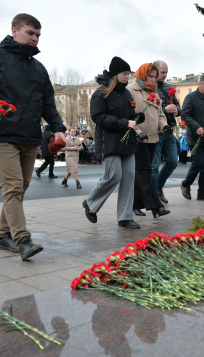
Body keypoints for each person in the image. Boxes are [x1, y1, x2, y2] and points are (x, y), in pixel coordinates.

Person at [0, 13, 66, 260]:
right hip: (1, 135)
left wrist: (58, 128)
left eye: (38, 35)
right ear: (14, 30)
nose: (35, 38)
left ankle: (3, 236)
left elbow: (48, 102)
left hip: (29, 135)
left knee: (21, 188)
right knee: (13, 187)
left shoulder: (38, 68)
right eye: (30, 33)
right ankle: (23, 240)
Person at [82, 56, 142, 229]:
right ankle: (90, 204)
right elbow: (98, 117)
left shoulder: (126, 93)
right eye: (124, 73)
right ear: (115, 74)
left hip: (128, 143)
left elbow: (129, 116)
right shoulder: (101, 93)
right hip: (110, 143)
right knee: (113, 176)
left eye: (129, 74)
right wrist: (123, 123)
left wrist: (137, 117)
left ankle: (125, 217)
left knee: (129, 177)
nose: (127, 77)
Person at [127, 62, 170, 219]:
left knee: (141, 174)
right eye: (150, 76)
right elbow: (128, 116)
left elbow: (160, 114)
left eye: (155, 77)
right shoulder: (130, 91)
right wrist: (137, 132)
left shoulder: (155, 93)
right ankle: (156, 206)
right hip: (138, 139)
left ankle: (135, 204)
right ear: (142, 75)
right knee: (145, 172)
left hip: (153, 138)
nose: (153, 80)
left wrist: (164, 126)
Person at [151, 61, 181, 204]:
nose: (165, 75)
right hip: (156, 131)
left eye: (166, 72)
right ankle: (155, 193)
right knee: (154, 166)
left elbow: (178, 106)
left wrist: (176, 110)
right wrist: (165, 110)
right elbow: (150, 110)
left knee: (173, 162)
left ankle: (159, 187)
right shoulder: (149, 87)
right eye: (162, 72)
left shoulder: (169, 87)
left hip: (169, 130)